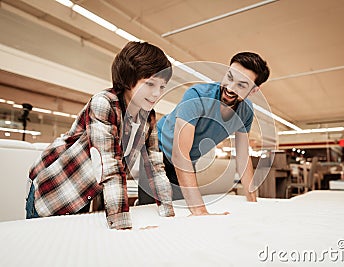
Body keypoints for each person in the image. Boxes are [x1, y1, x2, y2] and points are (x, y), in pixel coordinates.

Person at [26, 41, 175, 230]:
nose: (156, 93)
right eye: (150, 84)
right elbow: (109, 166)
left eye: (162, 86)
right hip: (56, 190)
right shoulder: (104, 104)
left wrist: (169, 216)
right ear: (129, 79)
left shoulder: (148, 117)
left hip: (85, 195)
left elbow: (155, 167)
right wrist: (122, 226)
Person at [157, 52, 270, 215]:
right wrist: (201, 211)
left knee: (180, 210)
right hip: (157, 150)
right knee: (157, 212)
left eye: (241, 85)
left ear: (253, 90)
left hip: (189, 159)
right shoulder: (197, 95)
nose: (230, 88)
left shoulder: (246, 112)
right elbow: (180, 155)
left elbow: (243, 158)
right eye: (229, 77)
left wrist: (252, 202)